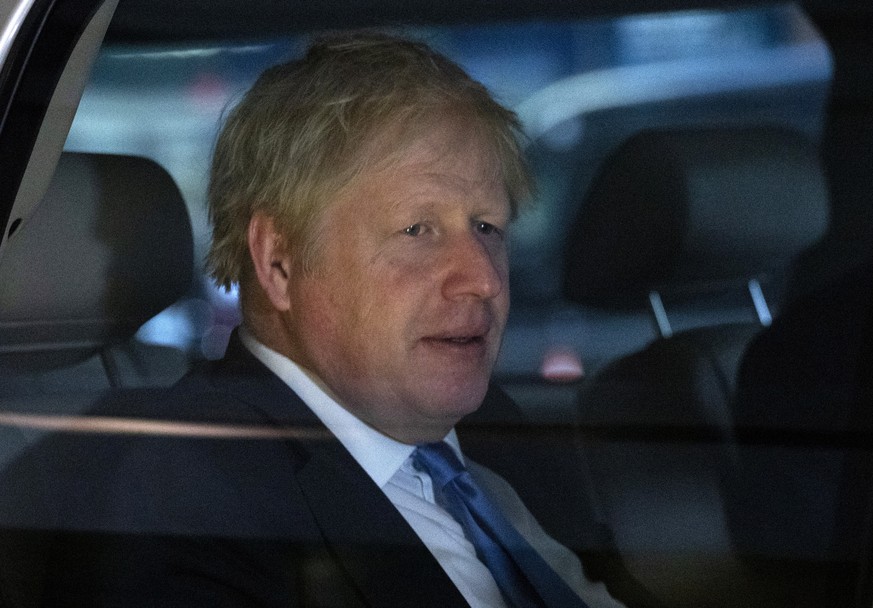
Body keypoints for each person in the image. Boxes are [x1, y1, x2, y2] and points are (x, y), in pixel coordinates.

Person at [1, 33, 640, 607]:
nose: (484, 277)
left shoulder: (490, 427)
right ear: (278, 262)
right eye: (417, 230)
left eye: (487, 227)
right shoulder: (182, 499)